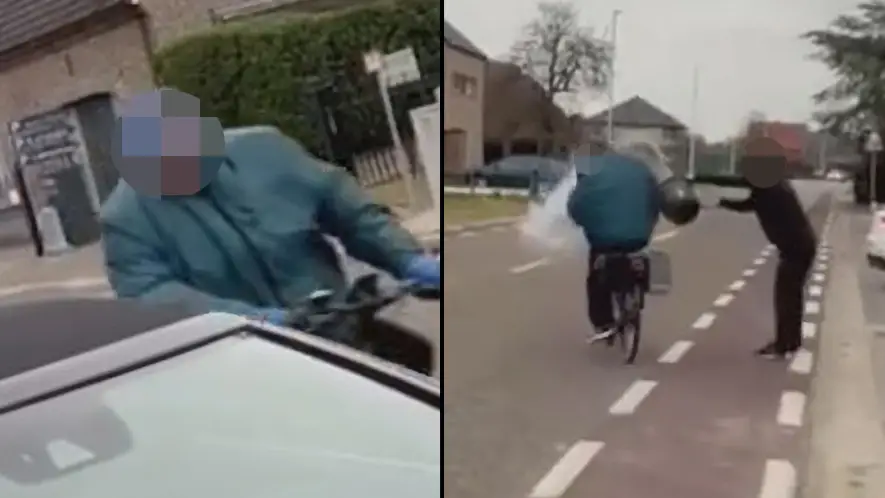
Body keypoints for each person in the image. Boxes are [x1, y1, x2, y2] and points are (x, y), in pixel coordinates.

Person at [100, 124, 440, 345]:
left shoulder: (264, 151)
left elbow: (340, 204)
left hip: (338, 331)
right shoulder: (126, 218)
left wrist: (404, 257)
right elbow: (151, 295)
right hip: (251, 365)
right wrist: (257, 322)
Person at [717, 153, 816, 359]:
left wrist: (697, 180)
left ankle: (783, 345)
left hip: (795, 249)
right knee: (791, 296)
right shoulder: (774, 185)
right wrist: (724, 202)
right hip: (800, 246)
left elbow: (742, 190)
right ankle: (791, 342)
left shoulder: (769, 188)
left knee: (785, 297)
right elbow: (749, 203)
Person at [566, 146, 662, 343]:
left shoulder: (591, 169)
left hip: (604, 240)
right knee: (637, 256)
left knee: (596, 277)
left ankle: (603, 324)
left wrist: (585, 223)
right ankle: (636, 292)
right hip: (638, 237)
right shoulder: (642, 169)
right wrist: (646, 228)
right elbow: (656, 202)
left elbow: (576, 206)